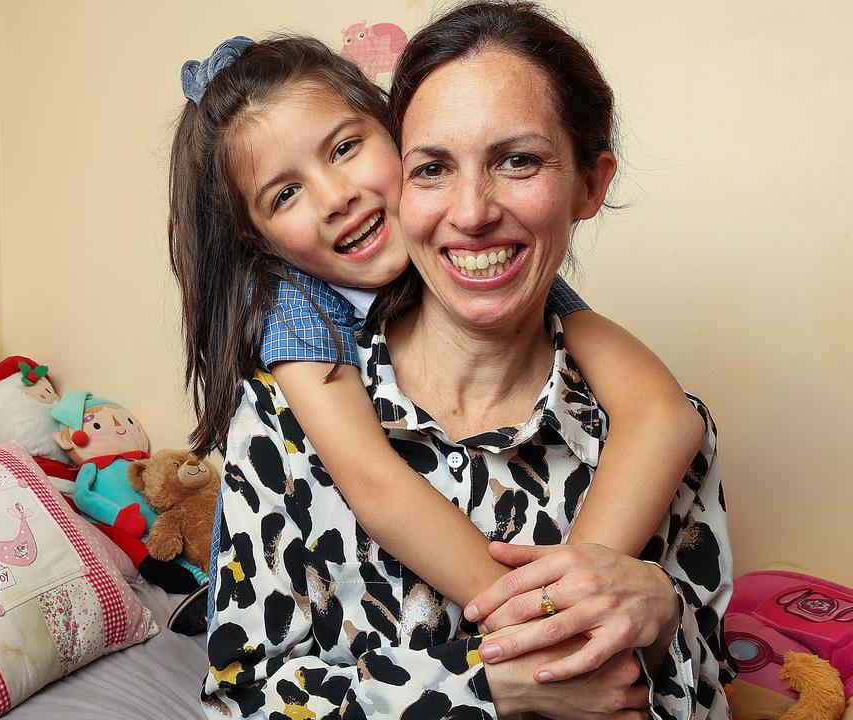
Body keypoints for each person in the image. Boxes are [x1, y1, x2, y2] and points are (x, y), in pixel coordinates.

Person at [177, 3, 733, 718]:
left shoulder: (637, 418)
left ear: (589, 186)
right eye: (436, 167)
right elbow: (242, 699)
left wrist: (661, 621)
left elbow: (708, 687)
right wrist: (493, 683)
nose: (472, 212)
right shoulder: (290, 405)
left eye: (518, 160)